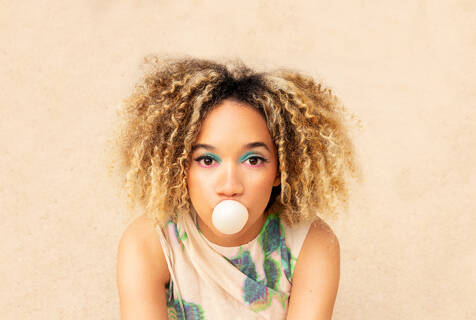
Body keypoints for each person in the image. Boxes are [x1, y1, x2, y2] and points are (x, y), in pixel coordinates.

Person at [114, 56, 359, 319]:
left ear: (281, 169)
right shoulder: (150, 242)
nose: (230, 186)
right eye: (207, 160)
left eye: (253, 160)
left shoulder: (312, 243)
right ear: (179, 168)